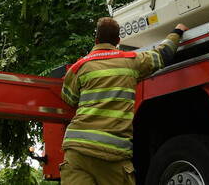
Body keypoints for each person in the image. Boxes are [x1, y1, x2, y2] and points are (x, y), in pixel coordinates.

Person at [59, 17, 188, 184]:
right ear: (118, 41)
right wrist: (177, 31)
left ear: (96, 39)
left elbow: (69, 98)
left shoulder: (79, 67)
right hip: (111, 154)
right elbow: (163, 55)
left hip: (77, 151)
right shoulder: (131, 61)